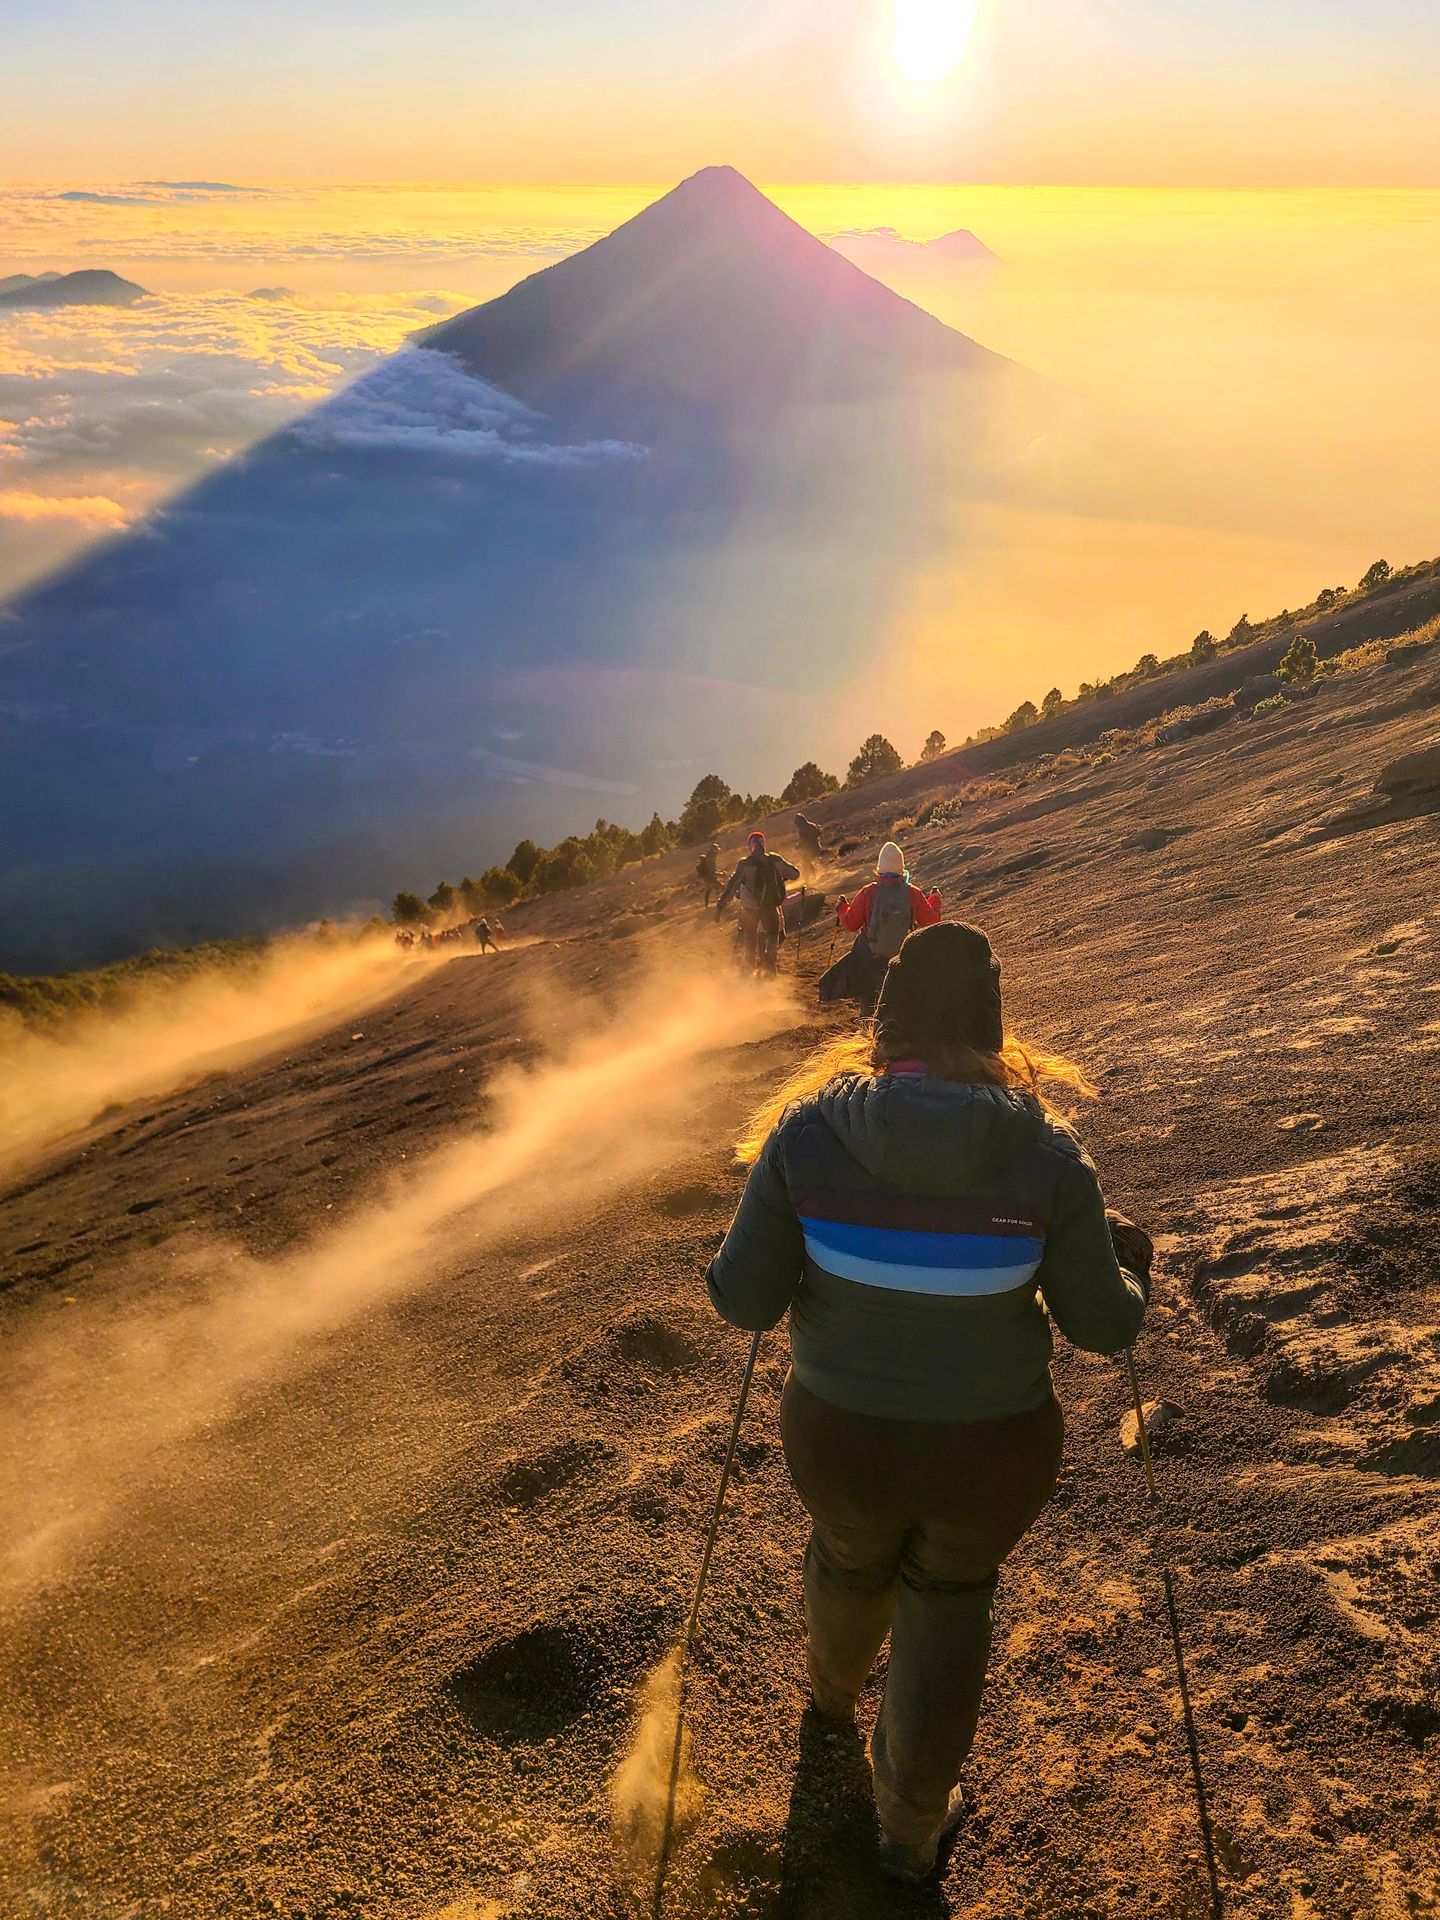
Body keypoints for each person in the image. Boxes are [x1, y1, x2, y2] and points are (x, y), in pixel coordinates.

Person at [705, 923, 1151, 1882]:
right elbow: (1104, 1329)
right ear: (993, 1029)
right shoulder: (1050, 1157)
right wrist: (1131, 1267)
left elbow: (742, 1299)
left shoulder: (809, 1131)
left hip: (839, 1440)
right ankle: (909, 1835)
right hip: (988, 1455)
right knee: (949, 1599)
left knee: (849, 1553)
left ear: (883, 1024)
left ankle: (828, 1703)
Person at [819, 840, 940, 1015]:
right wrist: (935, 901)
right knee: (898, 1002)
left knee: (868, 1000)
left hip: (869, 958)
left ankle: (868, 1033)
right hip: (901, 957)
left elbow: (851, 924)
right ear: (901, 868)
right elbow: (930, 922)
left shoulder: (869, 892)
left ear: (880, 868)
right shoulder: (913, 893)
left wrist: (841, 908)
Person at [716, 831, 799, 977]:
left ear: (750, 846)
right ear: (763, 844)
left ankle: (749, 969)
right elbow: (795, 874)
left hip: (749, 910)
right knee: (773, 936)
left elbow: (732, 886)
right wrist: (781, 876)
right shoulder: (775, 859)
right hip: (770, 907)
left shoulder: (744, 864)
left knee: (750, 939)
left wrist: (720, 906)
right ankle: (770, 968)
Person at [696, 842, 722, 908]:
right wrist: (720, 874)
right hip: (710, 879)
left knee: (708, 892)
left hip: (707, 880)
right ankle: (722, 902)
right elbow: (712, 871)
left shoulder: (704, 863)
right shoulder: (709, 862)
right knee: (723, 888)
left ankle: (706, 905)